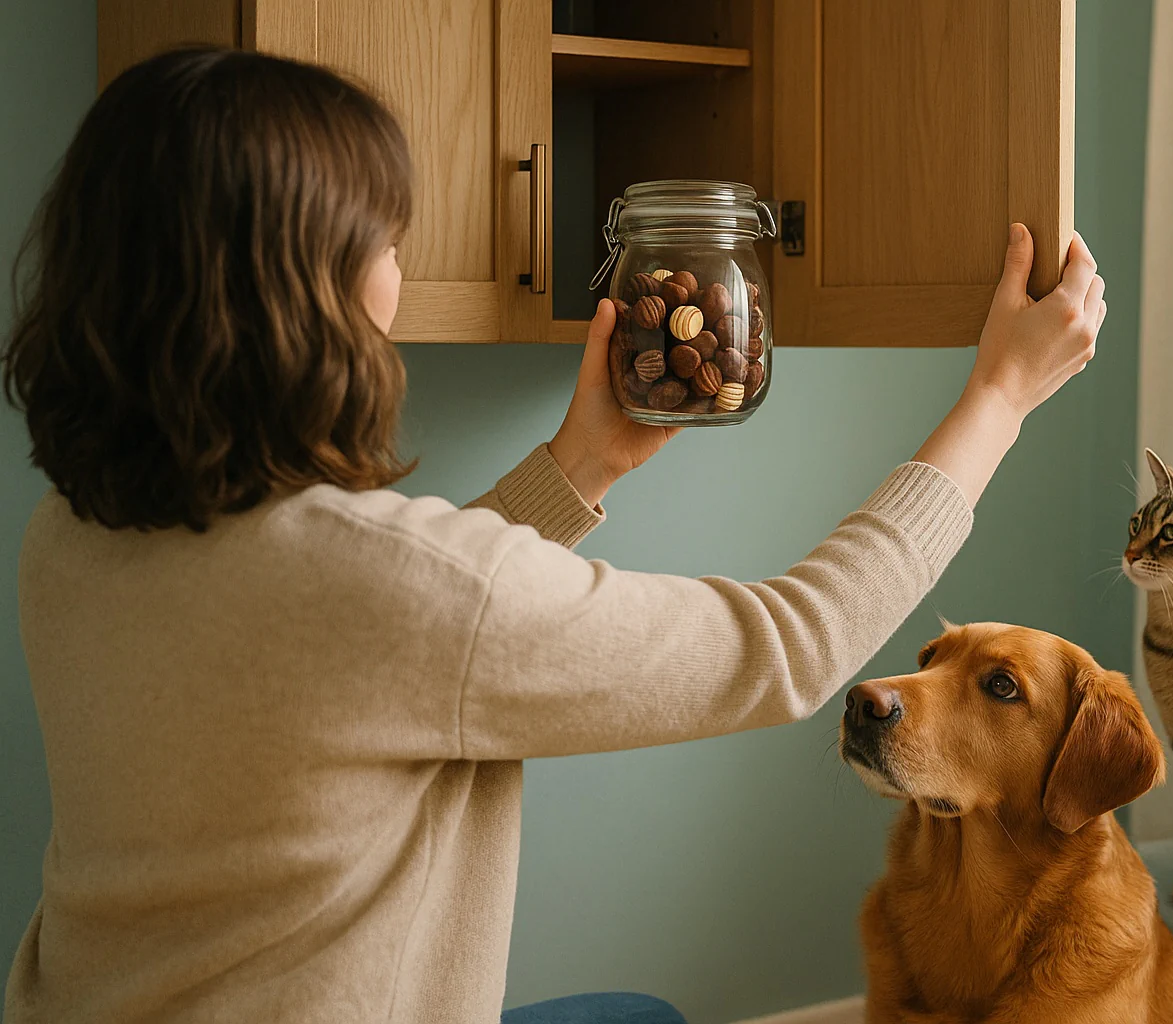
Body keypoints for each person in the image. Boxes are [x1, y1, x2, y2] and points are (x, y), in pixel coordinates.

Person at [0, 47, 1106, 1024]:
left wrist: (581, 465)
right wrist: (999, 401)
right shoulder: (389, 591)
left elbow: (357, 633)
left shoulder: (74, 540)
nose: (397, 266)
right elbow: (792, 643)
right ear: (307, 286)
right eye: (384, 236)